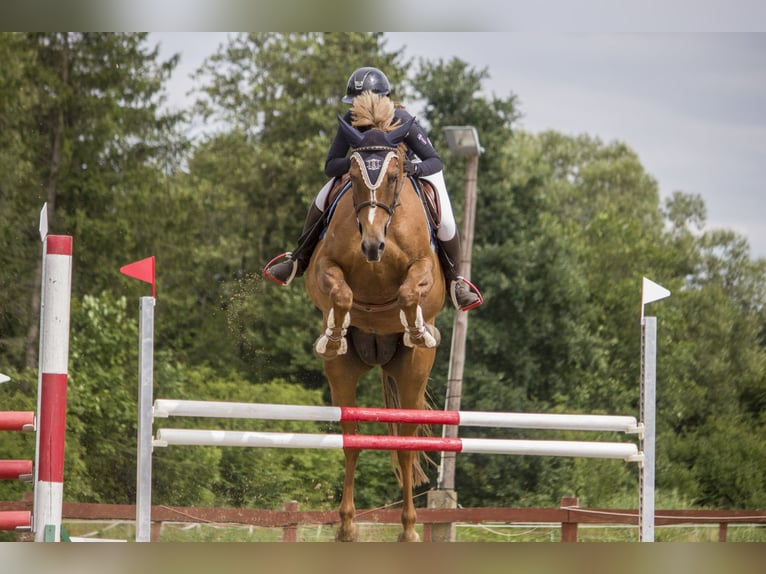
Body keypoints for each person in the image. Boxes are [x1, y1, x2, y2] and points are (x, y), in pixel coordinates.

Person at [263, 66, 482, 311]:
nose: (357, 107)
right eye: (354, 101)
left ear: (380, 99)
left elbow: (435, 160)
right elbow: (331, 164)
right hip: (364, 173)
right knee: (324, 196)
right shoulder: (351, 121)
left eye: (361, 100)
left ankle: (456, 280)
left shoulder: (403, 121)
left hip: (413, 168)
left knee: (447, 221)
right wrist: (358, 162)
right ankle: (298, 260)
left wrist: (412, 168)